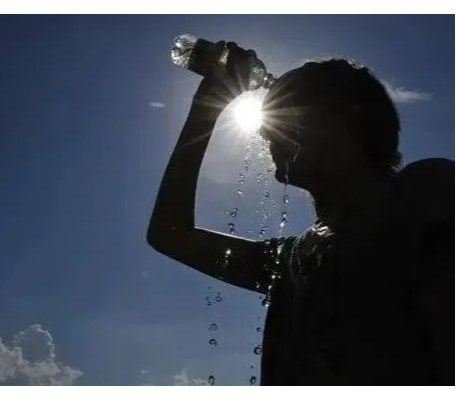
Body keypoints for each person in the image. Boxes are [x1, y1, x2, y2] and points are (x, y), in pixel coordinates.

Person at [147, 42, 455, 386]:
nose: (265, 129)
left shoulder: (428, 192)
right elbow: (170, 234)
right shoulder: (291, 261)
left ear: (345, 117)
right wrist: (205, 110)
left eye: (290, 109)